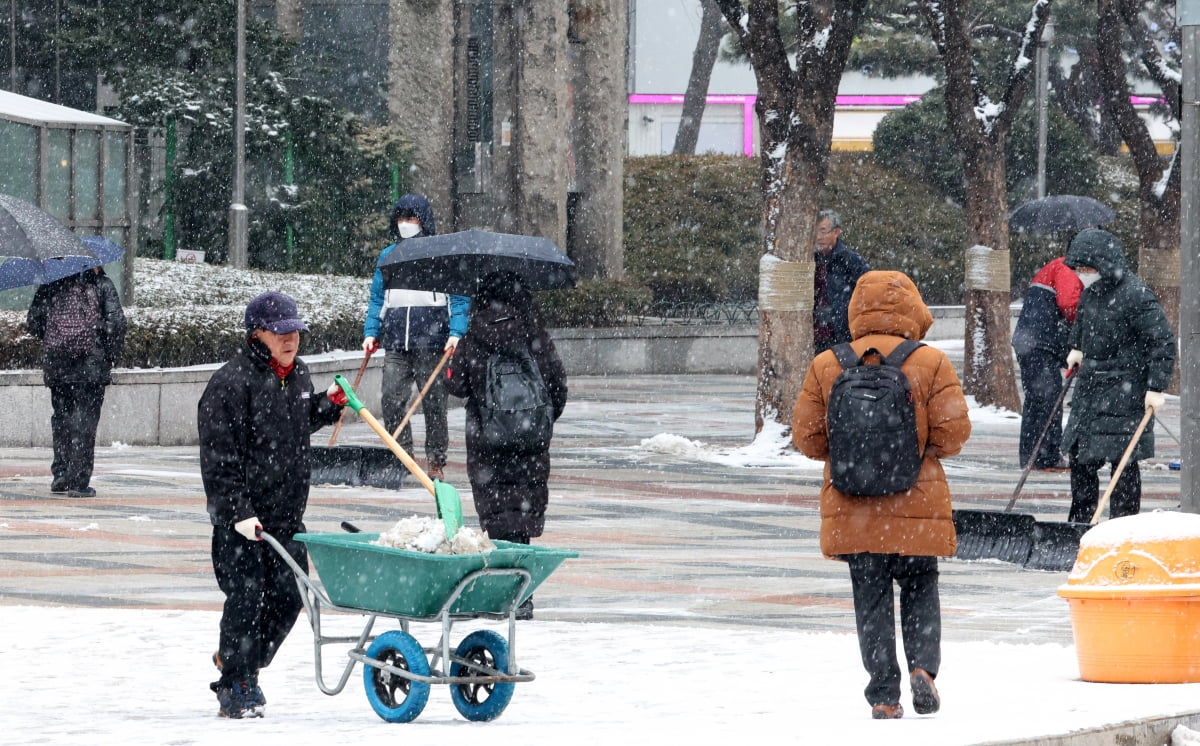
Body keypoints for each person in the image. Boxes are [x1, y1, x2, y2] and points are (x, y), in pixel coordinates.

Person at [792, 270, 971, 720]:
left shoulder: (827, 364)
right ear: (912, 307)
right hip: (916, 502)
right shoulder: (929, 362)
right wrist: (918, 450)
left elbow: (809, 439)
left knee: (869, 598)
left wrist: (853, 453)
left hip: (853, 507)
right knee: (919, 586)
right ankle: (924, 669)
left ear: (856, 310)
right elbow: (954, 433)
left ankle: (884, 696)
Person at [198, 291, 347, 718]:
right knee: (245, 600)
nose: (290, 340)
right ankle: (235, 686)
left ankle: (242, 662)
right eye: (280, 332)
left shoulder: (297, 375)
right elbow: (218, 460)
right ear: (257, 334)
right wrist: (237, 511)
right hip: (242, 522)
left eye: (295, 331)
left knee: (288, 597)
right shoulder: (230, 384)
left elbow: (297, 422)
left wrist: (326, 405)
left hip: (286, 517)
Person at [444, 271, 568, 620]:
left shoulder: (474, 335)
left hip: (488, 446)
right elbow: (558, 387)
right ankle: (521, 595)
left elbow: (456, 387)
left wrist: (453, 361)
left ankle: (498, 592)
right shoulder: (535, 333)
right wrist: (535, 424)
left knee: (496, 517)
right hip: (530, 448)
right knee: (521, 518)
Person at [1061, 229, 1175, 524]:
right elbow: (1082, 328)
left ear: (1103, 263)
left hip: (1125, 391)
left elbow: (1161, 341)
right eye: (1078, 269)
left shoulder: (1136, 295)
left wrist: (1156, 386)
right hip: (1090, 389)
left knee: (1123, 462)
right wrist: (1077, 348)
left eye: (1087, 268)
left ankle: (1123, 525)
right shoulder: (1090, 294)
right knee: (1081, 457)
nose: (1083, 274)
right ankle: (1081, 523)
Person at [362, 193, 470, 481]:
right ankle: (403, 455)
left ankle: (436, 460)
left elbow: (458, 298)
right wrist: (371, 332)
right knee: (391, 399)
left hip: (432, 342)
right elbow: (377, 299)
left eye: (411, 218)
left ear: (424, 221)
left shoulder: (441, 254)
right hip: (397, 341)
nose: (405, 224)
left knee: (434, 403)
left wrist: (456, 332)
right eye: (401, 218)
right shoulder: (388, 256)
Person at [26, 265, 126, 498]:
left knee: (62, 419)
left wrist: (57, 339)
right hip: (90, 367)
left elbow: (33, 322)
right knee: (85, 422)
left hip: (58, 367)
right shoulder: (102, 284)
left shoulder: (51, 285)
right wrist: (107, 354)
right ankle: (78, 481)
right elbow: (116, 324)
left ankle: (60, 472)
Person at [1011, 257, 1082, 471]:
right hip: (1041, 342)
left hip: (1033, 341)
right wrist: (1084, 327)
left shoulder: (1059, 267)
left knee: (1038, 400)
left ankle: (1033, 456)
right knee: (1047, 399)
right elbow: (1069, 304)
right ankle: (1045, 457)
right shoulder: (1066, 266)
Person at [813, 209, 870, 354]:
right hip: (815, 333)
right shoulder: (810, 259)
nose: (818, 237)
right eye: (815, 231)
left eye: (823, 231)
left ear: (836, 232)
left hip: (842, 333)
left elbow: (868, 290)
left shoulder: (850, 259)